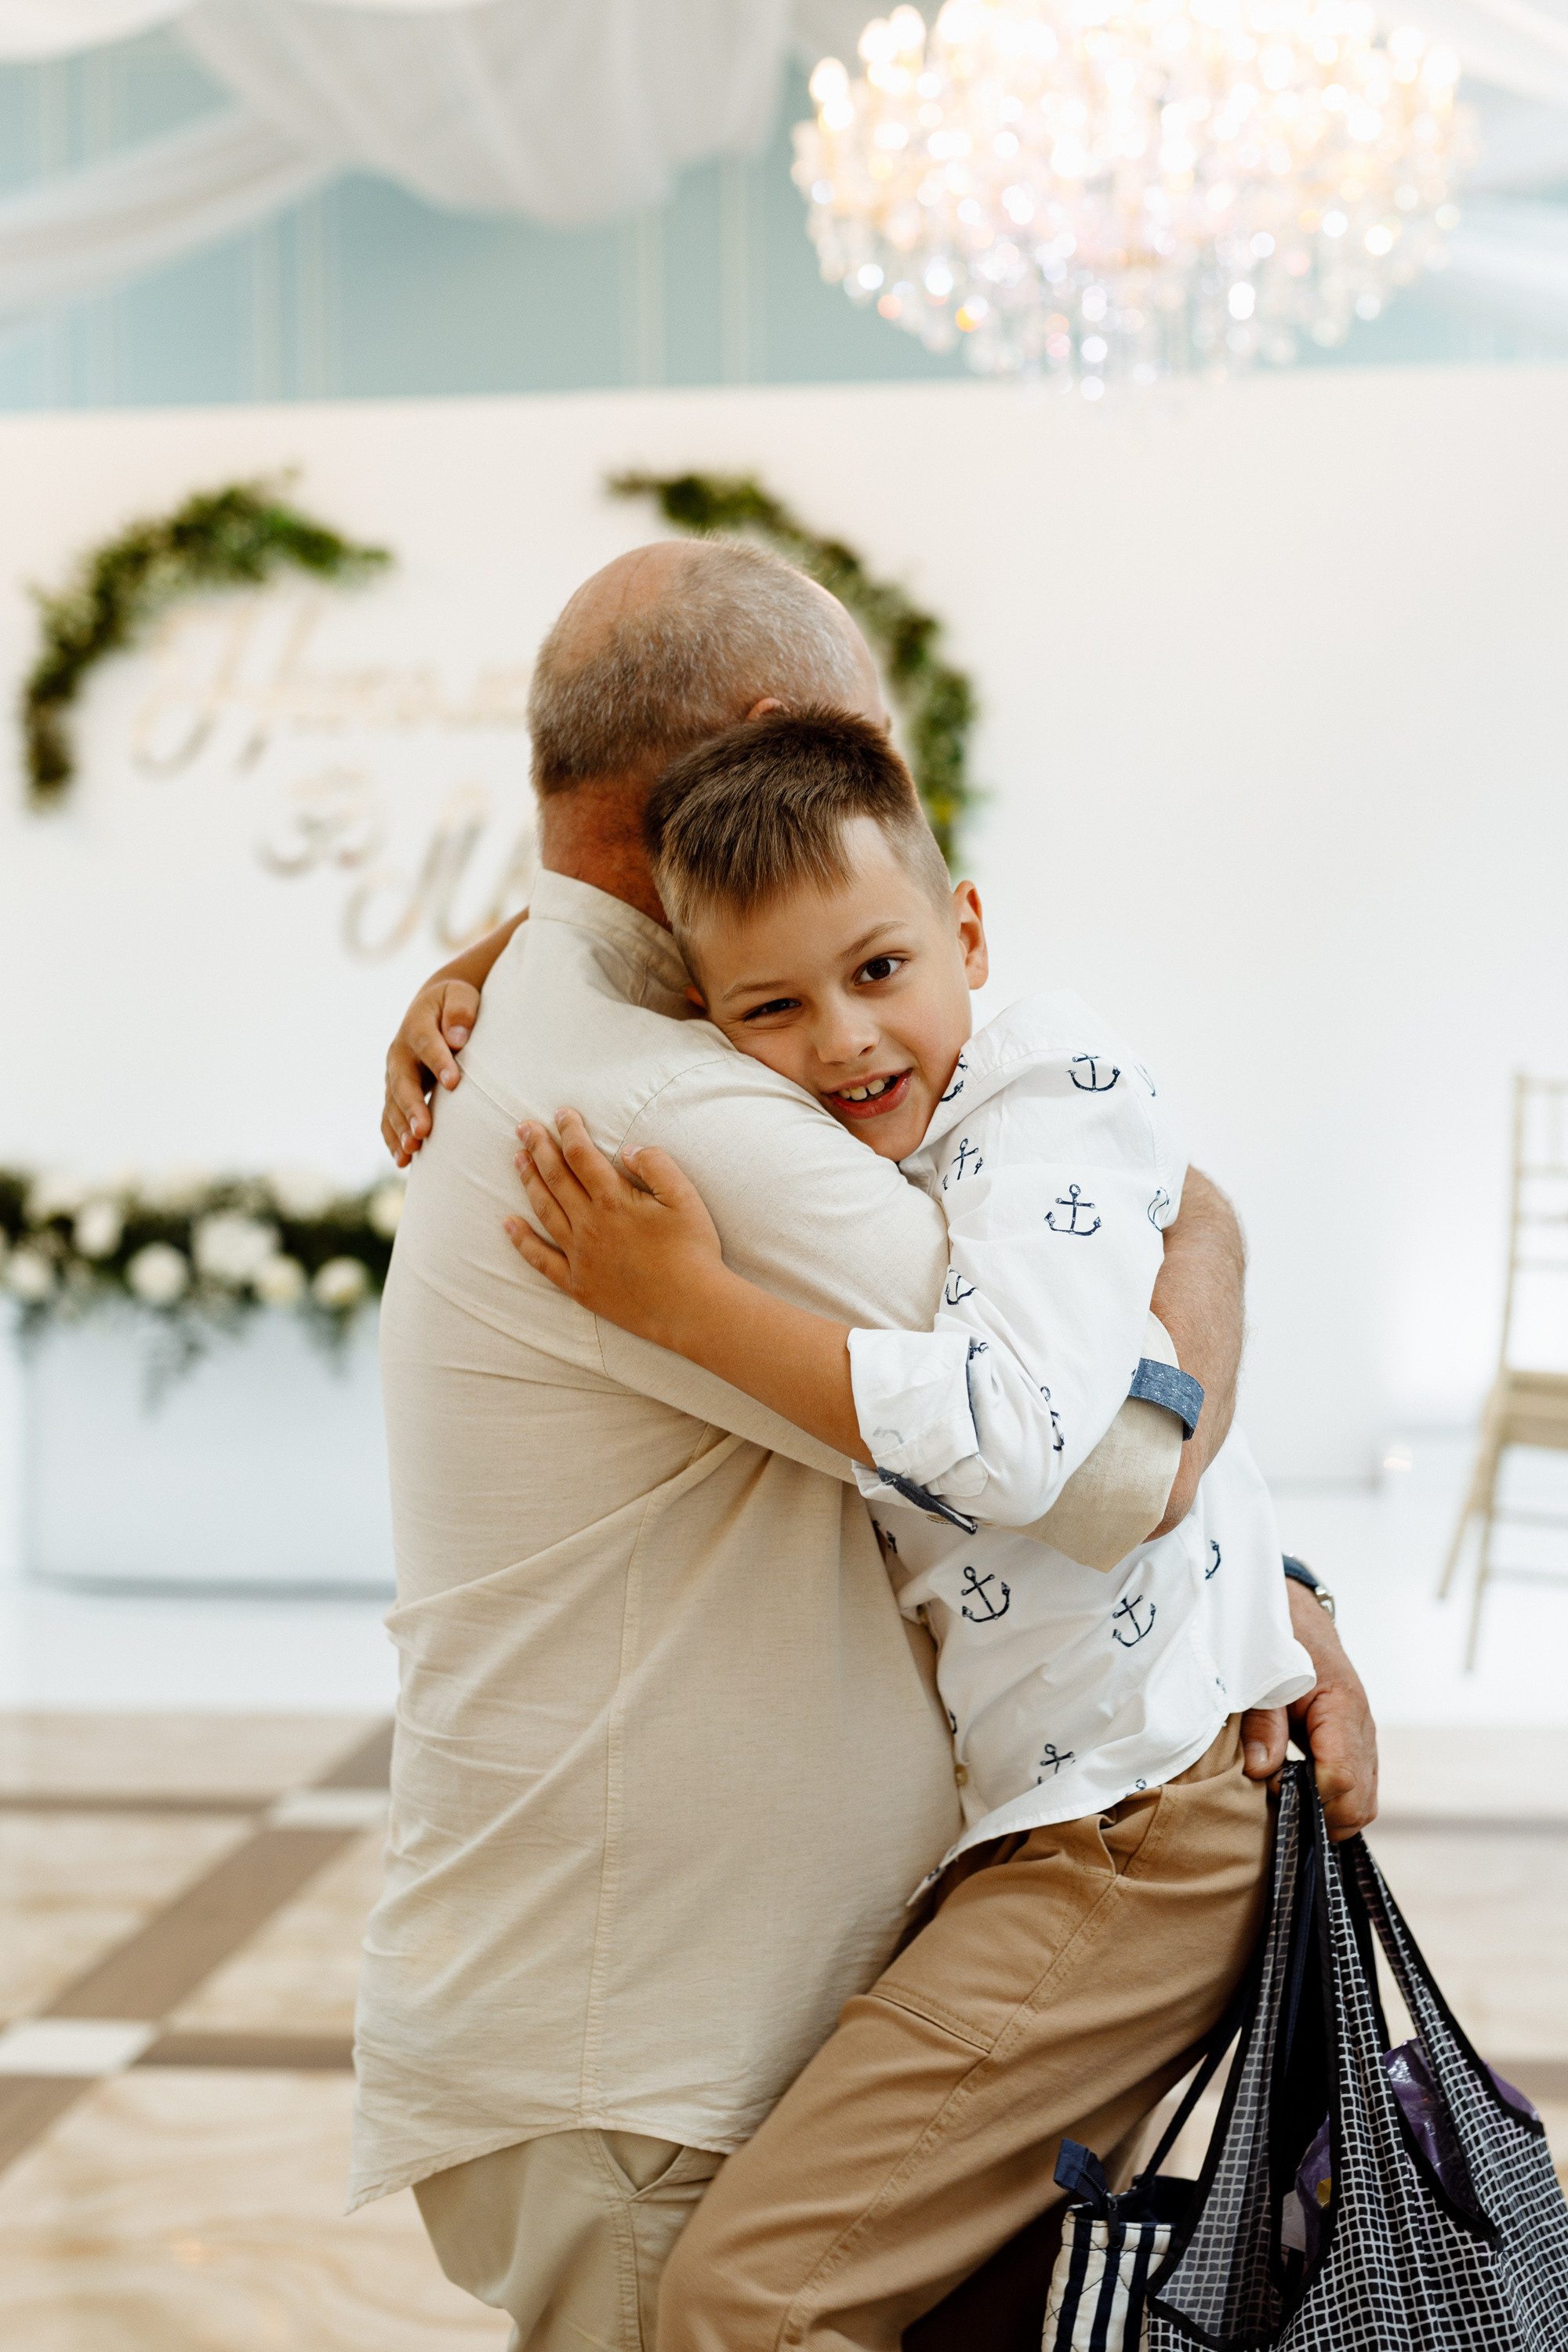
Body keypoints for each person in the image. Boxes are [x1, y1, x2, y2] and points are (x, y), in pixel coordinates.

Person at [363, 535, 1377, 2352]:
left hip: (974, 1879)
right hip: (656, 2036)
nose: (835, 1036)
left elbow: (1065, 1357)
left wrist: (1272, 1583)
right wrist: (1203, 1229)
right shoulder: (669, 1109)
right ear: (777, 737)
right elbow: (1109, 1473)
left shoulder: (633, 1037)